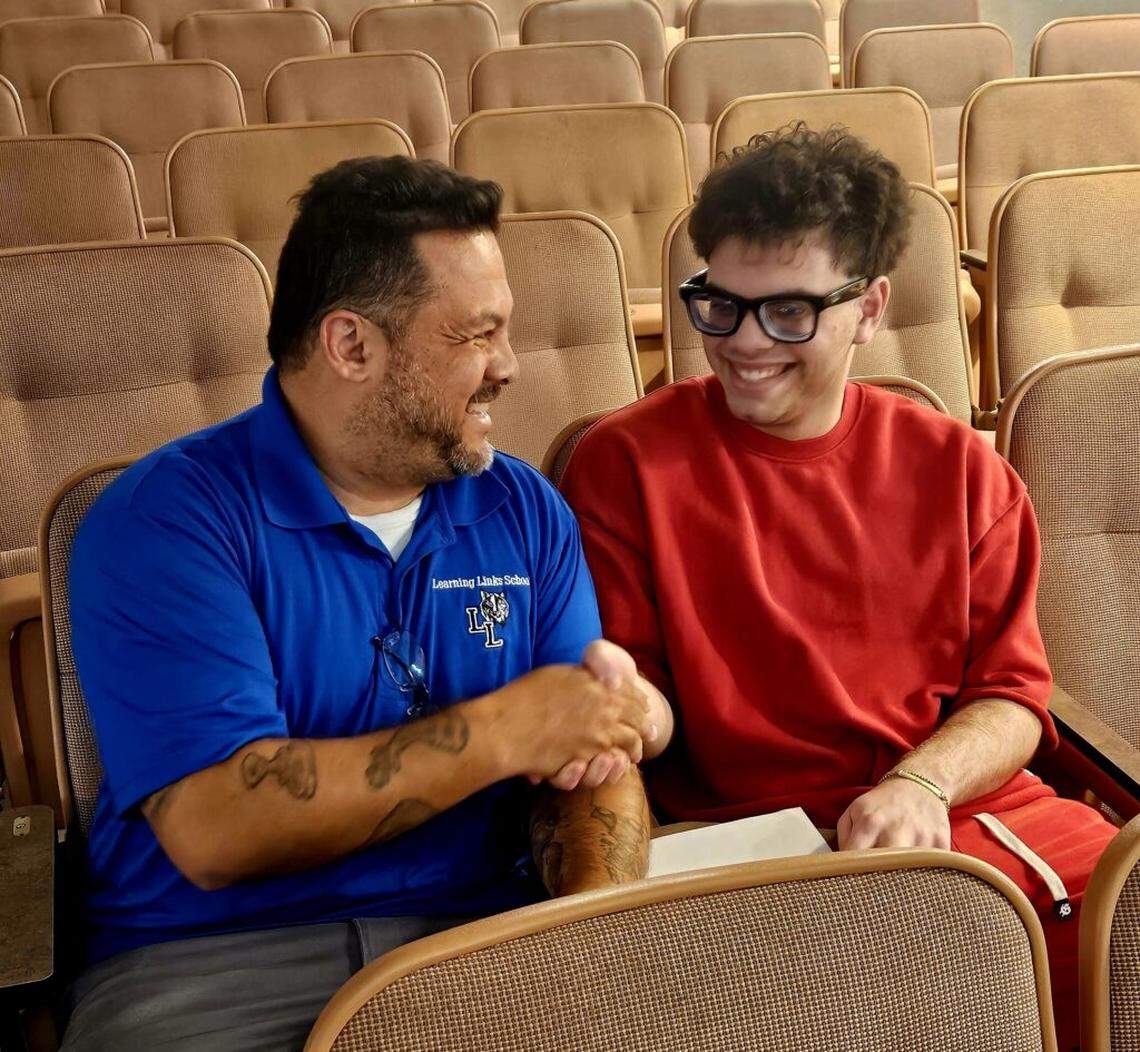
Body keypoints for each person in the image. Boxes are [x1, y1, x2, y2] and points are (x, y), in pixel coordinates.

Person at [62, 156, 672, 1051]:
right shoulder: (166, 521)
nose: (510, 366)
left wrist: (584, 939)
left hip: (479, 935)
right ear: (351, 345)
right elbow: (217, 828)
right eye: (477, 334)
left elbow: (591, 761)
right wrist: (507, 729)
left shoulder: (521, 508)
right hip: (207, 968)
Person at [559, 124, 1117, 1051]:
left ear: (869, 308)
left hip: (958, 813)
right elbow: (639, 700)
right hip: (759, 852)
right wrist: (622, 705)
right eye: (720, 307)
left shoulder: (962, 473)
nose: (742, 345)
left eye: (788, 314)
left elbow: (1013, 698)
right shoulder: (625, 462)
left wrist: (921, 781)